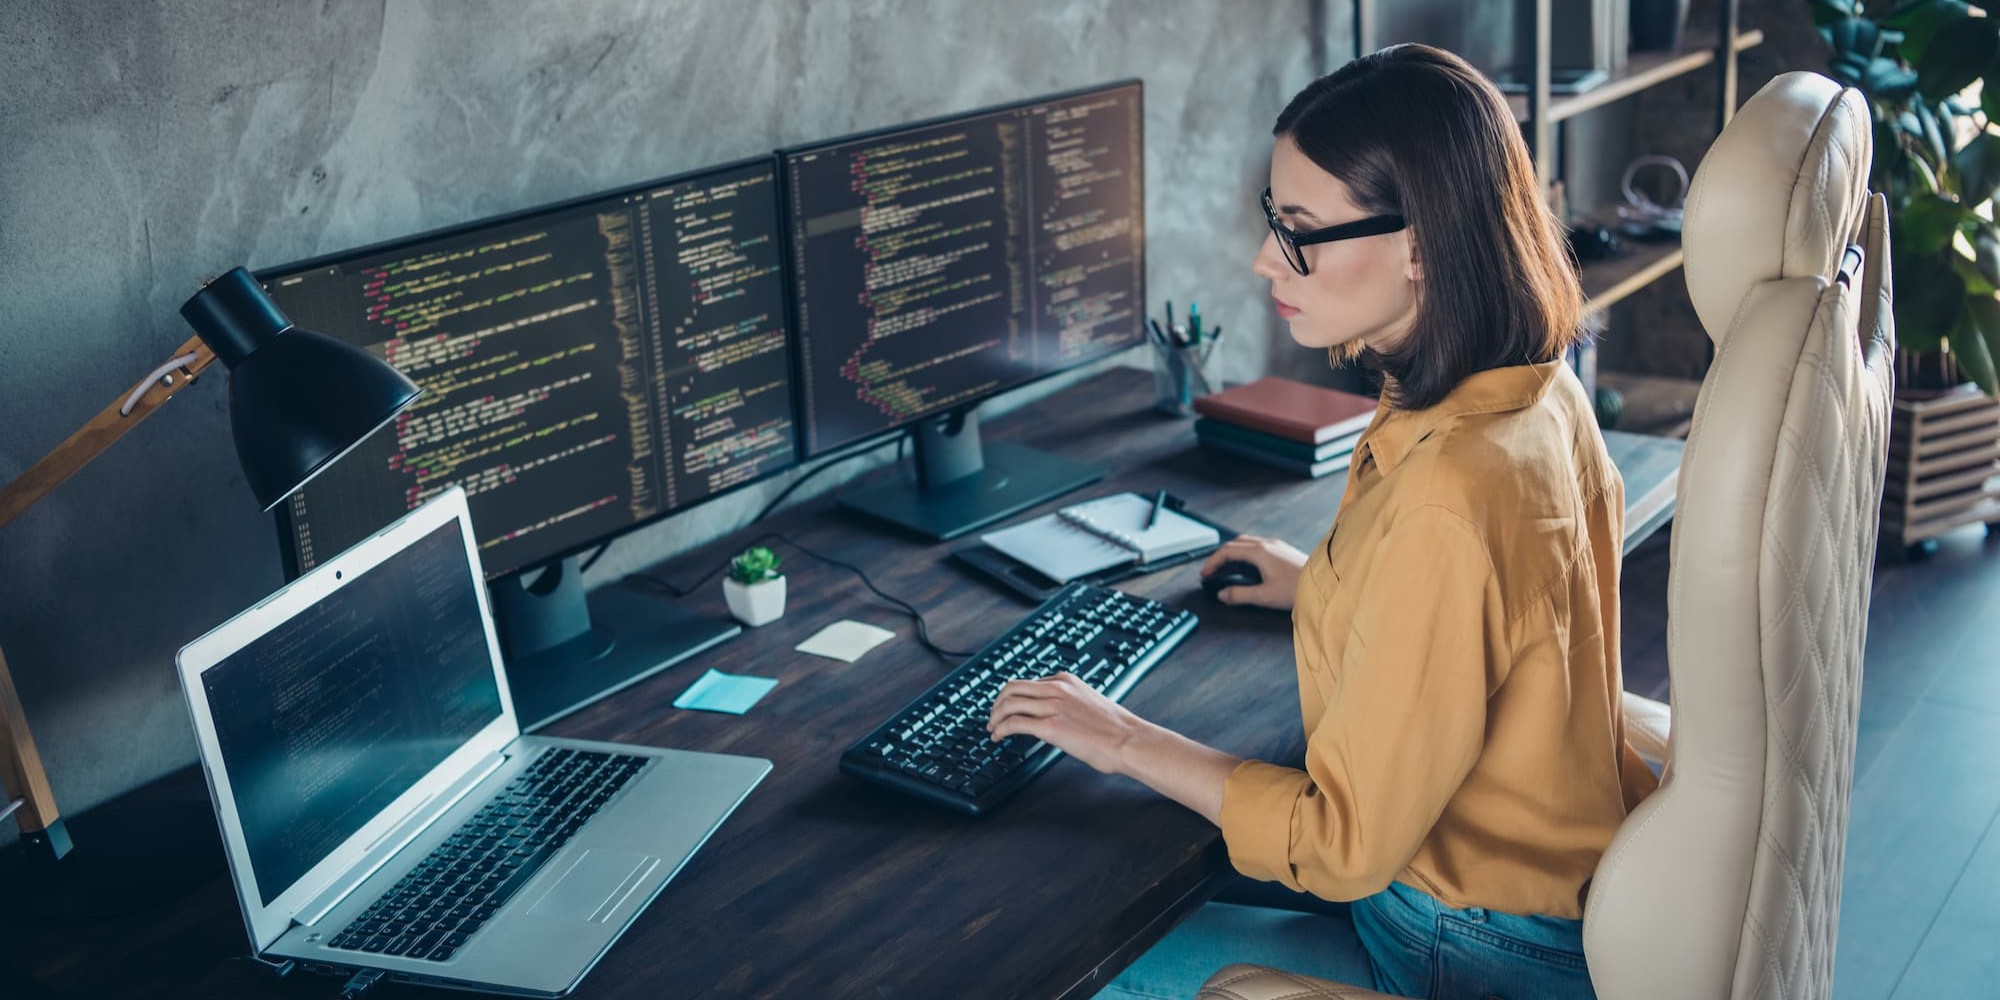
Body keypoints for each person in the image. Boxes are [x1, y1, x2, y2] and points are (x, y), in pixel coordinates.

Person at [985, 44, 1659, 1000]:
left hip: (1467, 941)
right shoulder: (1527, 389)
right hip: (1550, 884)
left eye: (1300, 228)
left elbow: (1340, 844)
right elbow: (1500, 614)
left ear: (1422, 243)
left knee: (1056, 959)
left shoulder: (1450, 495)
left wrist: (1123, 738)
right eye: (1274, 218)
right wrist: (1327, 584)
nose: (1266, 258)